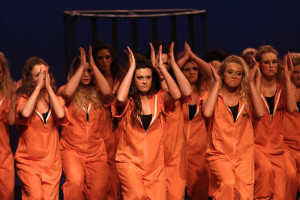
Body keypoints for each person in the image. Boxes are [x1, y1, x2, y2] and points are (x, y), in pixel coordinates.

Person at [111, 47, 181, 199]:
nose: (144, 81)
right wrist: (131, 69)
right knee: (137, 194)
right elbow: (120, 98)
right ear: (133, 80)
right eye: (140, 78)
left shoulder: (158, 99)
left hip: (155, 167)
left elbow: (176, 94)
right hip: (129, 162)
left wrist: (162, 67)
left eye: (148, 77)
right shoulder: (128, 102)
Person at [202, 55, 264, 199]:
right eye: (230, 72)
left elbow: (260, 113)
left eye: (239, 73)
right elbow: (206, 112)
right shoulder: (211, 95)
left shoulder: (246, 98)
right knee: (228, 183)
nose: (234, 76)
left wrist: (251, 84)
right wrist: (216, 83)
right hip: (219, 154)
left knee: (244, 194)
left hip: (244, 156)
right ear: (222, 73)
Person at [59, 46, 111, 199]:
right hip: (72, 150)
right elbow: (67, 94)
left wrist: (94, 65)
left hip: (96, 152)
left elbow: (108, 93)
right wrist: (81, 66)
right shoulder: (66, 90)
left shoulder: (98, 92)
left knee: (99, 191)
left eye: (89, 71)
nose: (86, 74)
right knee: (75, 184)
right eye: (83, 71)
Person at [15, 56, 69, 199]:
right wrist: (38, 88)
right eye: (37, 75)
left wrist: (50, 90)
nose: (42, 78)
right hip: (29, 162)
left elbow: (61, 114)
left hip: (51, 164)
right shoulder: (23, 100)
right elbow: (25, 114)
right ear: (31, 79)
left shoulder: (56, 100)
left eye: (45, 74)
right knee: (35, 196)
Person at [253, 45, 297, 199]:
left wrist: (287, 77)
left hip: (277, 148)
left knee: (280, 194)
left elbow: (291, 108)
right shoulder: (252, 88)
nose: (271, 66)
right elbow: (257, 113)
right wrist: (256, 81)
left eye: (273, 62)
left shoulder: (282, 87)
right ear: (259, 64)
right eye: (266, 62)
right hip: (256, 146)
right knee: (264, 176)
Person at [149, 41, 191, 200]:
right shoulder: (149, 92)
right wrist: (155, 70)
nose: (161, 65)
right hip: (153, 158)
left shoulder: (177, 90)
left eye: (164, 62)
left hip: (175, 157)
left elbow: (184, 91)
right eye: (158, 62)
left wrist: (172, 65)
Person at [177, 42, 213, 200]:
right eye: (187, 69)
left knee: (200, 194)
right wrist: (184, 58)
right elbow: (169, 73)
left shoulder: (205, 90)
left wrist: (194, 57)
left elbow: (212, 74)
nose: (192, 72)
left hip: (199, 152)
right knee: (174, 194)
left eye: (194, 69)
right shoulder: (175, 93)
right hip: (177, 151)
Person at [92, 40, 124, 200]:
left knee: (115, 177)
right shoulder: (91, 79)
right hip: (98, 128)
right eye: (100, 58)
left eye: (107, 57)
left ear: (112, 58)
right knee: (99, 178)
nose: (104, 61)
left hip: (118, 129)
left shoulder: (120, 77)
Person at [282, 52, 300, 200]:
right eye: (295, 71)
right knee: (290, 176)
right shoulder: (283, 90)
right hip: (285, 145)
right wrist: (287, 80)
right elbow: (291, 107)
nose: (299, 75)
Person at [0, 52, 17, 200]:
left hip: (4, 155)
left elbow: (11, 121)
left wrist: (14, 97)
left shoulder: (8, 95)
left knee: (7, 194)